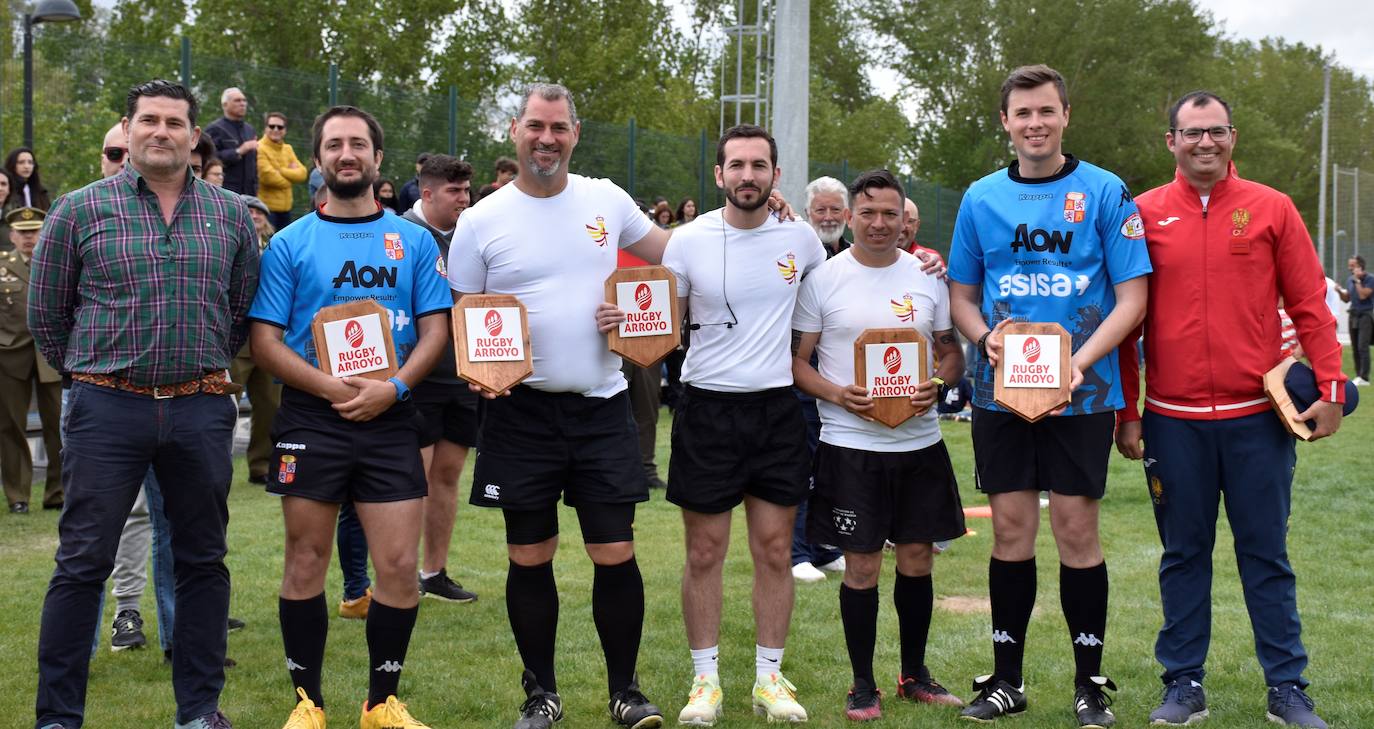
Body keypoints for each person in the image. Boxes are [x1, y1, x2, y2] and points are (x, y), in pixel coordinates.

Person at [30, 78, 258, 729]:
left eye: (174, 122)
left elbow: (239, 312)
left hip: (199, 407)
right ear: (128, 129)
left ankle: (198, 710)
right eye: (149, 120)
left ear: (193, 135)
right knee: (82, 562)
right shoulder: (76, 211)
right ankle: (57, 716)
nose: (162, 131)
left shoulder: (231, 216)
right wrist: (95, 379)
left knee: (202, 561)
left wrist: (199, 370)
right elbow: (48, 316)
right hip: (107, 406)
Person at [1116, 90, 1347, 729]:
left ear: (1232, 137)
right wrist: (1126, 412)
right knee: (1183, 555)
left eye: (1215, 131)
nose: (1205, 143)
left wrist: (1329, 389)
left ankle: (1288, 688)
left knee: (1265, 553)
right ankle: (1184, 684)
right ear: (1172, 142)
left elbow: (1310, 307)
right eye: (1192, 133)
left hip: (1257, 419)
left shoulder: (1272, 208)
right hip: (1172, 419)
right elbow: (1126, 322)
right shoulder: (1141, 214)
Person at [448, 82, 670, 729]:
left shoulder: (606, 199)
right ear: (514, 130)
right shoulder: (481, 219)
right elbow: (465, 315)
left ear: (575, 133)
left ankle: (625, 690)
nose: (546, 138)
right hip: (520, 414)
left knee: (615, 552)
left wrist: (633, 312)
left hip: (603, 409)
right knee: (530, 554)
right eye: (535, 126)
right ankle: (540, 693)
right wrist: (478, 371)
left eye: (559, 128)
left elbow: (672, 257)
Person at [945, 64, 1151, 727]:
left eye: (1046, 111)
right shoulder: (980, 197)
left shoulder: (1106, 191)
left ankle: (1089, 682)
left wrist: (1078, 363)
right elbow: (962, 296)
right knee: (1010, 532)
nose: (1035, 123)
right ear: (1005, 122)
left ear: (1066, 115)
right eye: (1022, 113)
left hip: (1082, 394)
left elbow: (1133, 298)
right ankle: (1007, 680)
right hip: (1000, 395)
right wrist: (984, 338)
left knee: (1076, 532)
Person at [248, 104, 451, 729]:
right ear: (318, 159)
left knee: (395, 566)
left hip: (391, 417)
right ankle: (307, 704)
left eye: (357, 144)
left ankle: (381, 704)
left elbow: (436, 328)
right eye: (334, 144)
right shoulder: (288, 243)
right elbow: (265, 340)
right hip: (312, 418)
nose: (346, 154)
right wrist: (333, 389)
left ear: (377, 159)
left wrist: (392, 389)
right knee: (305, 558)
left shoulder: (413, 241)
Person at [658, 124, 824, 725]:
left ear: (776, 176)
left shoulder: (803, 241)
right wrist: (622, 322)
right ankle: (705, 682)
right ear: (719, 174)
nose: (748, 176)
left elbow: (819, 318)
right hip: (706, 409)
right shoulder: (687, 242)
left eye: (760, 166)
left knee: (776, 550)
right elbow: (660, 325)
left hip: (777, 409)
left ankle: (768, 679)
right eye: (737, 166)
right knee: (704, 552)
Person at [791, 169, 968, 720]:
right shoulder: (823, 278)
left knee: (917, 560)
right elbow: (796, 363)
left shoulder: (927, 276)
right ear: (849, 217)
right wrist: (838, 394)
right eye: (867, 213)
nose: (878, 223)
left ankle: (915, 674)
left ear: (904, 219)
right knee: (862, 565)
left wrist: (937, 386)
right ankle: (862, 682)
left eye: (890, 213)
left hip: (919, 444)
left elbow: (951, 354)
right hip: (849, 445)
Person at [399, 153, 480, 603]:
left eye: (467, 190)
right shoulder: (401, 234)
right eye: (454, 191)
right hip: (417, 375)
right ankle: (401, 572)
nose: (463, 200)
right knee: (415, 475)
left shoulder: (471, 234)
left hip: (462, 373)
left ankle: (434, 572)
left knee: (448, 474)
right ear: (427, 192)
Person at [791, 175, 851, 584]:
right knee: (801, 465)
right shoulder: (794, 253)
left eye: (834, 210)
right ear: (807, 213)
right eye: (820, 210)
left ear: (846, 215)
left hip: (843, 379)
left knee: (833, 465)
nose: (827, 217)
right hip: (800, 378)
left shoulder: (855, 255)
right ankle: (796, 552)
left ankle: (826, 546)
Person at [0, 206, 63, 514]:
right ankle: (18, 496)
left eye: (34, 232)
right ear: (12, 235)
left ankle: (58, 493)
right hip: (10, 355)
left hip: (50, 355)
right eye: (23, 233)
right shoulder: (2, 265)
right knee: (11, 428)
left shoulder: (55, 262)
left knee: (59, 427)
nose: (29, 238)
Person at [231, 194, 282, 485]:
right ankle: (216, 466)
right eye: (248, 212)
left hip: (271, 336)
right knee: (226, 405)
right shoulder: (230, 244)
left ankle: (262, 465)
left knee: (269, 405)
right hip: (238, 338)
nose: (254, 216)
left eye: (259, 212)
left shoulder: (277, 246)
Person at [257, 112, 308, 230]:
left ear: (285, 130)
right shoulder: (259, 148)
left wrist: (281, 170)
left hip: (286, 209)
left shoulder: (288, 149)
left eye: (280, 127)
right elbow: (268, 177)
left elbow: (302, 174)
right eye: (271, 126)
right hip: (267, 210)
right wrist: (291, 177)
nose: (276, 129)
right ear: (265, 128)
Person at [204, 87, 259, 195]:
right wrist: (238, 151)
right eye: (237, 100)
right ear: (225, 105)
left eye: (244, 100)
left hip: (249, 193)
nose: (242, 104)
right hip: (224, 191)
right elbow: (209, 159)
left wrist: (255, 187)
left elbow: (254, 163)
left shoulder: (250, 129)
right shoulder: (215, 128)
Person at [1335, 255, 1372, 385]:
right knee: (1355, 346)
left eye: (1352, 265)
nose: (1349, 267)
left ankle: (1365, 377)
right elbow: (1347, 299)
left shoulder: (1369, 279)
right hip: (1353, 315)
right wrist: (1339, 291)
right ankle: (1358, 376)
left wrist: (1357, 281)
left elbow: (1363, 295)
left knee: (1363, 346)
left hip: (1366, 315)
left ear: (1360, 266)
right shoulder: (1351, 280)